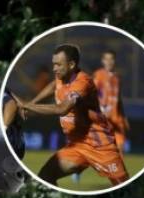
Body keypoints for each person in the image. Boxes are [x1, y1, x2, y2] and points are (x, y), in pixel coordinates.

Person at [14, 44, 129, 187]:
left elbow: (62, 109)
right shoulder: (62, 77)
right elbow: (53, 85)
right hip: (77, 146)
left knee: (123, 186)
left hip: (99, 145)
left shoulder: (82, 82)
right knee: (45, 176)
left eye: (58, 65)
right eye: (53, 64)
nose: (54, 69)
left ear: (71, 65)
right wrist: (33, 101)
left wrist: (29, 106)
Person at [93, 50, 130, 153]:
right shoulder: (98, 75)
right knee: (104, 150)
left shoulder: (117, 77)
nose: (109, 62)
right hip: (103, 117)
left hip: (117, 117)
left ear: (114, 61)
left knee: (120, 147)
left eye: (111, 59)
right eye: (106, 59)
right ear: (103, 61)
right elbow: (93, 94)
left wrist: (123, 116)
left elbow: (118, 98)